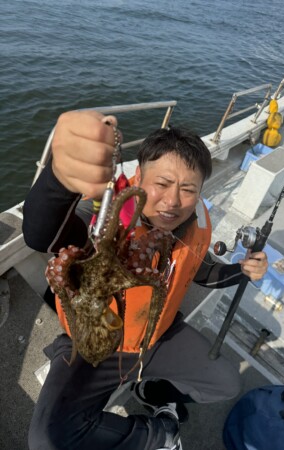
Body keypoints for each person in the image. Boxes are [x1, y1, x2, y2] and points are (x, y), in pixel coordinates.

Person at [22, 110, 268, 450]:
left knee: (225, 384)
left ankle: (153, 393)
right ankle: (160, 434)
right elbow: (42, 234)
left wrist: (240, 271)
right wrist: (58, 179)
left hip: (157, 336)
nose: (172, 201)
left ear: (200, 191)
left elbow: (202, 272)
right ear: (138, 176)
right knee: (47, 439)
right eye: (162, 184)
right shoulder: (105, 223)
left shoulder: (193, 227)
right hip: (98, 342)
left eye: (187, 189)